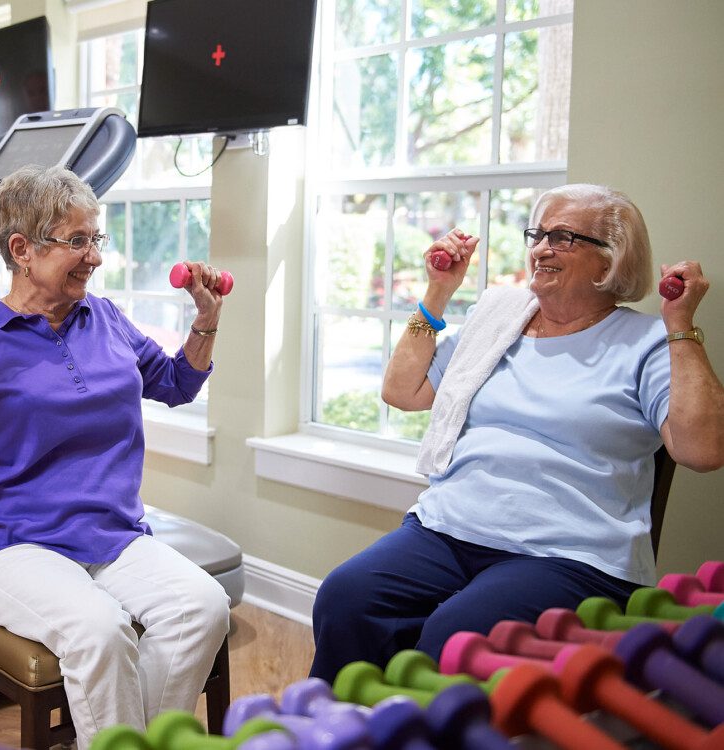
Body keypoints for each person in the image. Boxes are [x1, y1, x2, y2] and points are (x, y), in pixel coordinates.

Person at [0, 164, 231, 748]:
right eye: (77, 241)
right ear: (22, 249)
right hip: (9, 545)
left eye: (96, 239)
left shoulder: (105, 318)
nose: (94, 257)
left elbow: (173, 383)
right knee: (102, 631)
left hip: (111, 536)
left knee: (203, 607)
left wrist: (206, 322)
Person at [309, 183, 724, 681]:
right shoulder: (500, 321)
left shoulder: (645, 342)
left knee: (457, 636)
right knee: (347, 596)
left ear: (612, 259)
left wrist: (680, 325)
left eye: (565, 237)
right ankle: (343, 730)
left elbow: (702, 450)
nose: (542, 248)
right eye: (539, 233)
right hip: (449, 527)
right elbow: (403, 391)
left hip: (568, 552)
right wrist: (438, 291)